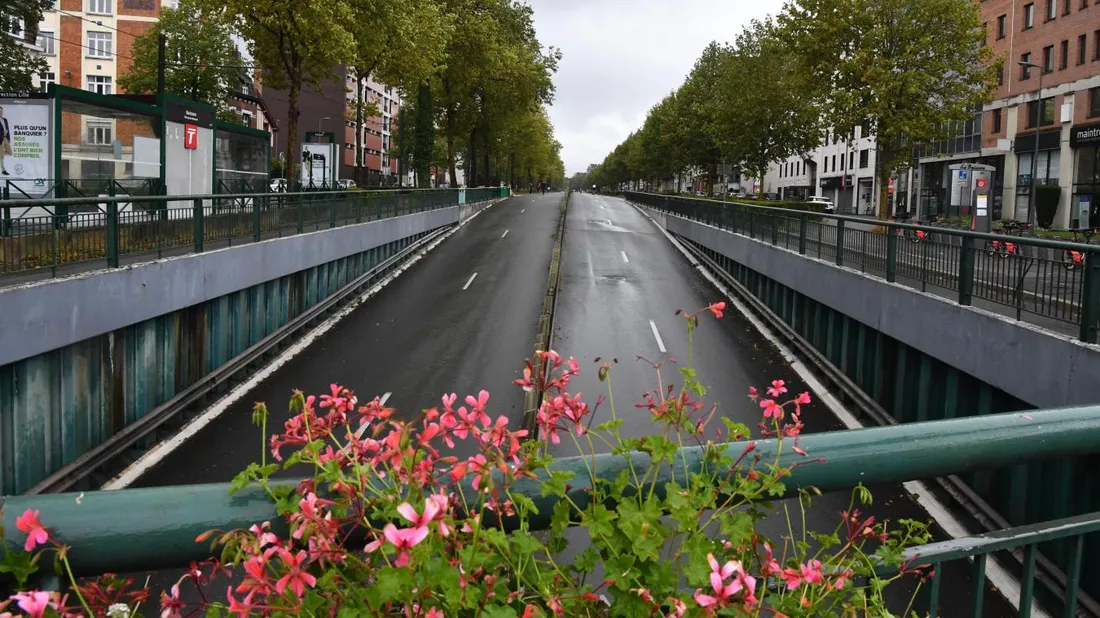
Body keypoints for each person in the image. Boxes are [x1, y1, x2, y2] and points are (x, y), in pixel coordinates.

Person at [0, 106, 11, 176]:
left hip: (5, 138)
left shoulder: (5, 120)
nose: (1, 112)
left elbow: (8, 129)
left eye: (1, 111)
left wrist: (9, 138)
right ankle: (3, 170)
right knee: (1, 156)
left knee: (10, 152)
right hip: (0, 139)